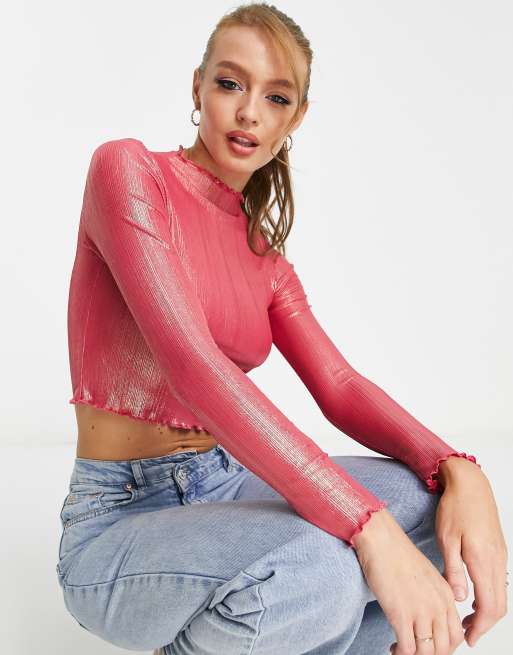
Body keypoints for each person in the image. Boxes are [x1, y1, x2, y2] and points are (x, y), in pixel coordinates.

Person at [55, 3, 508, 654]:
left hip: (224, 482)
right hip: (121, 515)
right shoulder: (127, 171)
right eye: (229, 84)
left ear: (296, 117)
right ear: (197, 88)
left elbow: (340, 385)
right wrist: (365, 526)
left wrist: (459, 469)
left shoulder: (264, 257)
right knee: (323, 568)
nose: (249, 113)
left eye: (276, 97)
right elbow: (193, 366)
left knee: (436, 511)